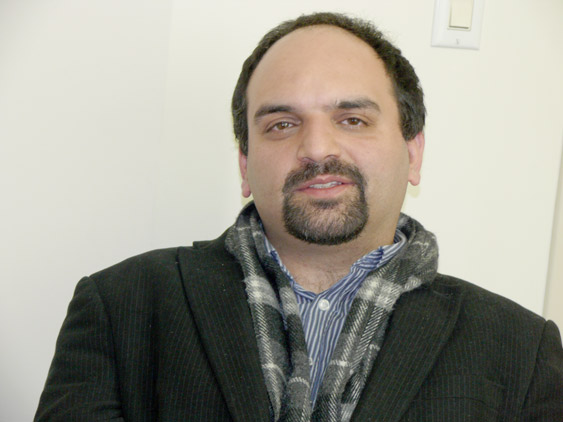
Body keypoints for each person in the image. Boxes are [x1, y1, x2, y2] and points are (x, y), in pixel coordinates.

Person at [35, 12, 563, 422]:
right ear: (245, 165)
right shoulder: (119, 307)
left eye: (352, 119)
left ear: (413, 151)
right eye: (282, 125)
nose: (316, 148)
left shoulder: (522, 350)